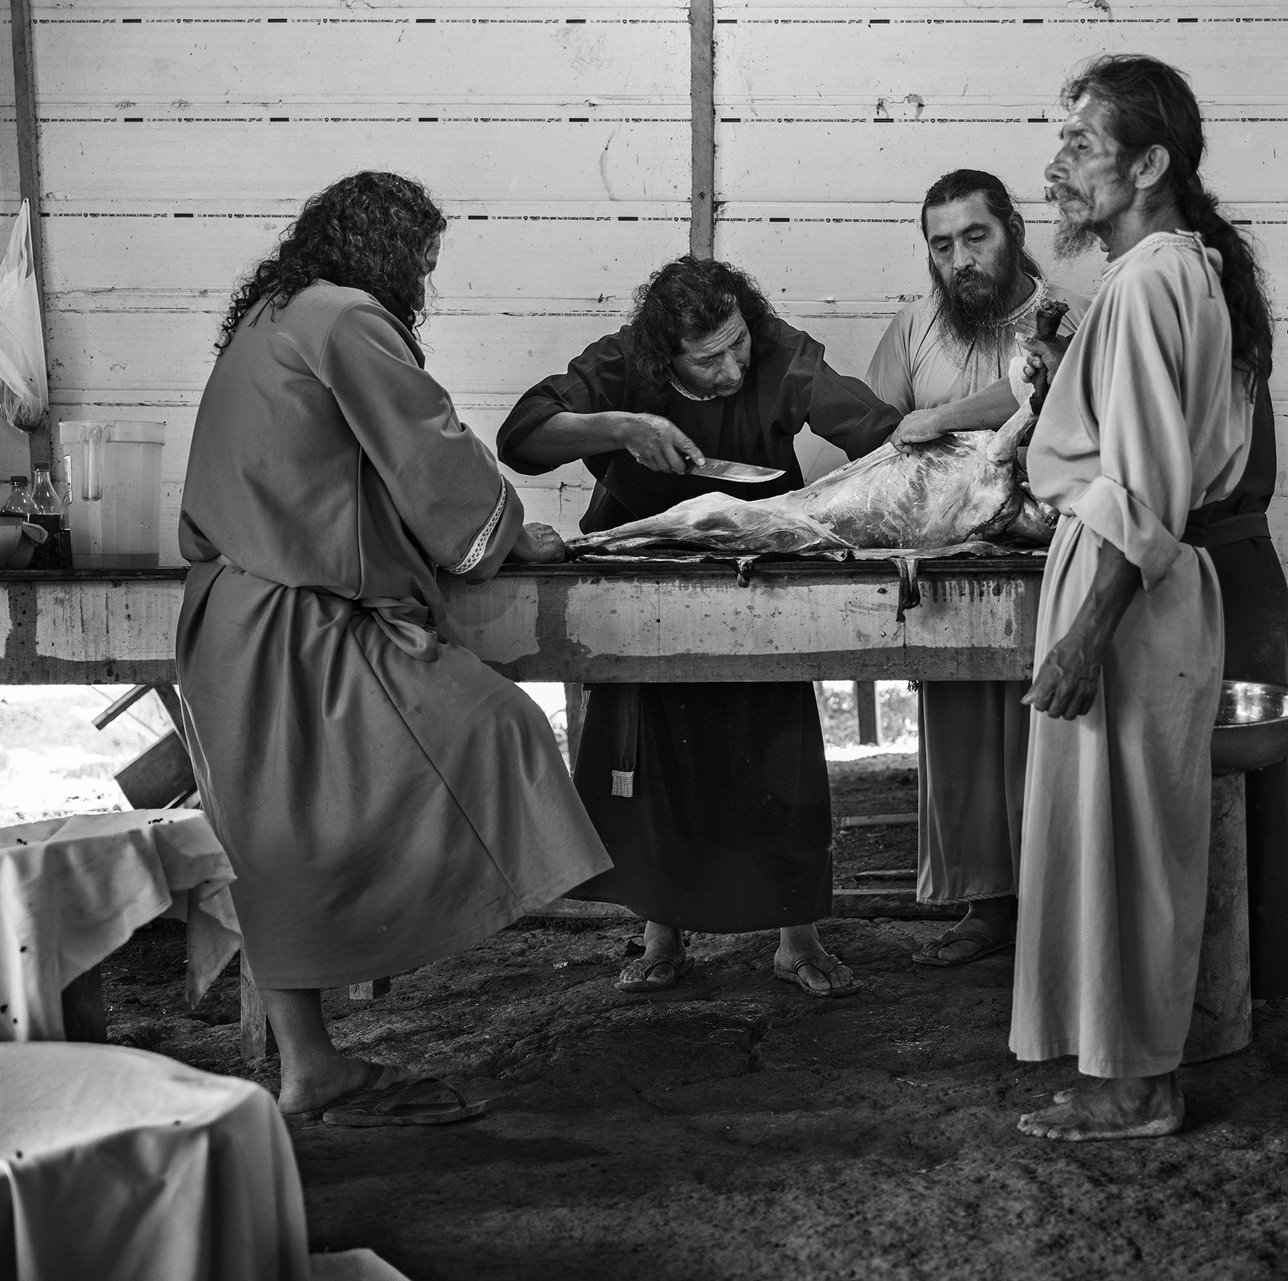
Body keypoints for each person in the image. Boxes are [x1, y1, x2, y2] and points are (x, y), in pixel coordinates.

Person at [175, 171, 611, 1126]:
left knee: (270, 844)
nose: (424, 279)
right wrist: (508, 530)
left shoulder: (270, 317)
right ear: (386, 251)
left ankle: (311, 1064)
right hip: (302, 620)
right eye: (422, 258)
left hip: (229, 616)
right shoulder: (344, 318)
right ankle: (409, 929)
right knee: (498, 733)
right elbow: (428, 453)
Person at [497, 256, 900, 999]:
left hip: (760, 576)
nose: (734, 364)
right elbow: (519, 434)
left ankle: (797, 937)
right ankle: (661, 932)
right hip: (643, 581)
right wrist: (621, 425)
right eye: (710, 357)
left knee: (778, 748)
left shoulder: (778, 351)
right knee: (653, 753)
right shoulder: (622, 364)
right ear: (667, 355)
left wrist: (907, 472)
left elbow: (868, 424)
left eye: (739, 342)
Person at [1007, 55, 1273, 1142]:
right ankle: (1127, 1070)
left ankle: (1138, 1090)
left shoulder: (1156, 277)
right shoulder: (1162, 275)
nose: (1057, 167)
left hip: (1132, 600)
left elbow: (1147, 490)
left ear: (1150, 162)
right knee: (1116, 841)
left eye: (1081, 145)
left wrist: (1083, 632)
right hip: (1134, 587)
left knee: (1127, 845)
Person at [865, 168, 1089, 966]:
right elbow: (878, 427)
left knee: (1045, 728)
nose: (959, 257)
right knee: (958, 730)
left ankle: (1054, 905)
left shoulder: (1069, 318)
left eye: (974, 236)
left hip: (1045, 563)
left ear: (1013, 230)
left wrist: (942, 420)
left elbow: (1046, 396)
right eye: (941, 244)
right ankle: (986, 905)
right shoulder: (915, 326)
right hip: (945, 566)